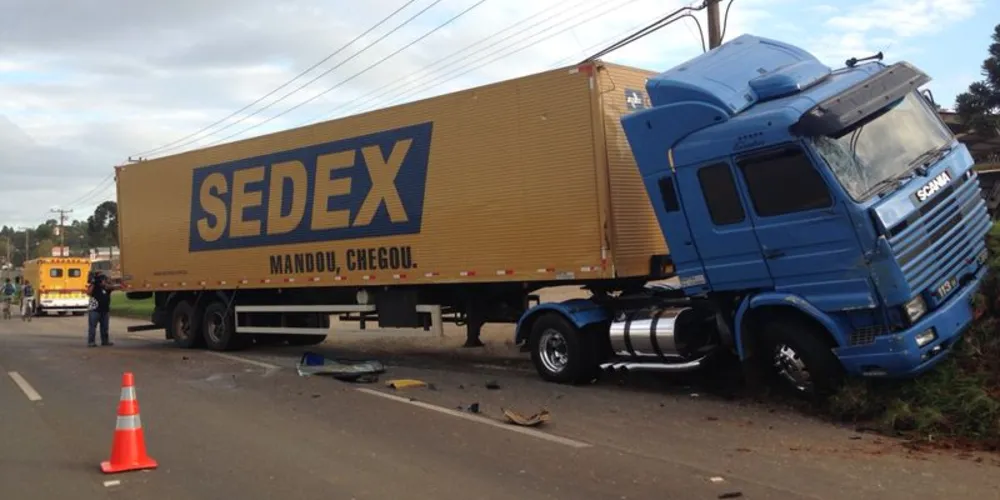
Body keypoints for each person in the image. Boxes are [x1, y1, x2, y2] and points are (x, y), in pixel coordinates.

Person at [86, 272, 117, 347]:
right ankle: (91, 342)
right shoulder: (95, 287)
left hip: (105, 310)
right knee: (93, 327)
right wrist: (93, 283)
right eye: (102, 280)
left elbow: (113, 287)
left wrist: (109, 281)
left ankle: (105, 341)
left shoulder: (106, 288)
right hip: (94, 310)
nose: (103, 281)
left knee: (105, 327)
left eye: (104, 280)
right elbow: (88, 292)